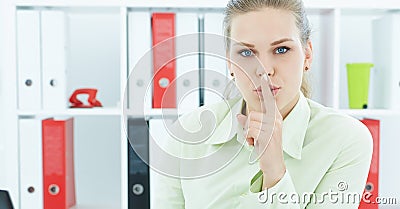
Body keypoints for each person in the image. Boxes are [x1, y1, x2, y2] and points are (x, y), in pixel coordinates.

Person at [150, 0, 373, 208]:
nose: (264, 69)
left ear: (307, 54)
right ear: (229, 61)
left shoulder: (346, 138)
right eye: (246, 52)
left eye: (281, 49)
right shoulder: (189, 131)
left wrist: (275, 173)